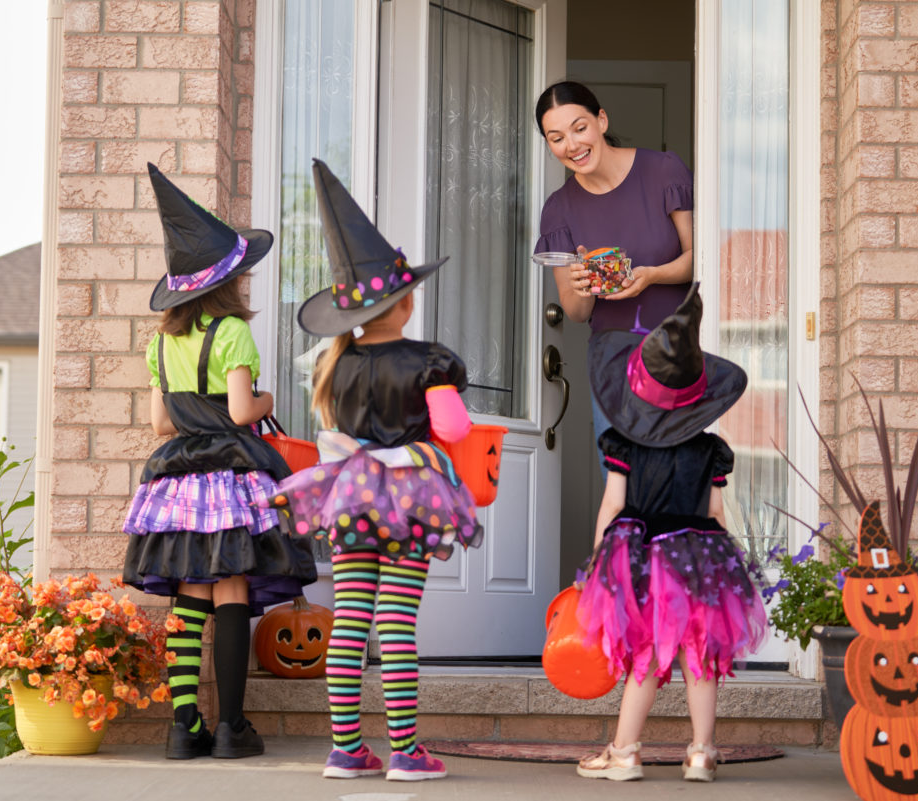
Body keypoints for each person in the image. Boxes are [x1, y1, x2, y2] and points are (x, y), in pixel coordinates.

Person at [262, 160, 484, 782]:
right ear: (407, 302)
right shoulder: (429, 360)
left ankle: (346, 749)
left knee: (351, 616)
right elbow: (455, 430)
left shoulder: (337, 366)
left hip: (353, 495)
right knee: (396, 621)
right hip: (410, 498)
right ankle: (408, 752)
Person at [122, 164, 315, 761]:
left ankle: (184, 728)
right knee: (231, 586)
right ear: (227, 282)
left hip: (177, 478)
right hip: (230, 471)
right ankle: (232, 726)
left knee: (187, 594)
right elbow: (239, 413)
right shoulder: (231, 331)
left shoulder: (159, 342)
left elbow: (159, 424)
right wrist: (268, 400)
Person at [574, 283, 767, 783]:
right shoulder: (710, 451)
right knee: (698, 652)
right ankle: (702, 751)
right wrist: (731, 560)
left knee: (646, 653)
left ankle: (624, 752)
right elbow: (717, 512)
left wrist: (598, 560)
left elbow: (614, 504)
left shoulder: (622, 443)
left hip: (641, 554)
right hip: (699, 555)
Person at [534, 80, 694, 448]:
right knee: (621, 479)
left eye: (579, 128)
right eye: (556, 138)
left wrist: (652, 276)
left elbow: (696, 261)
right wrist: (581, 285)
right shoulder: (559, 209)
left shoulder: (663, 171)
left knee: (676, 472)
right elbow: (576, 312)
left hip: (676, 346)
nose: (571, 146)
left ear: (601, 121)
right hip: (613, 358)